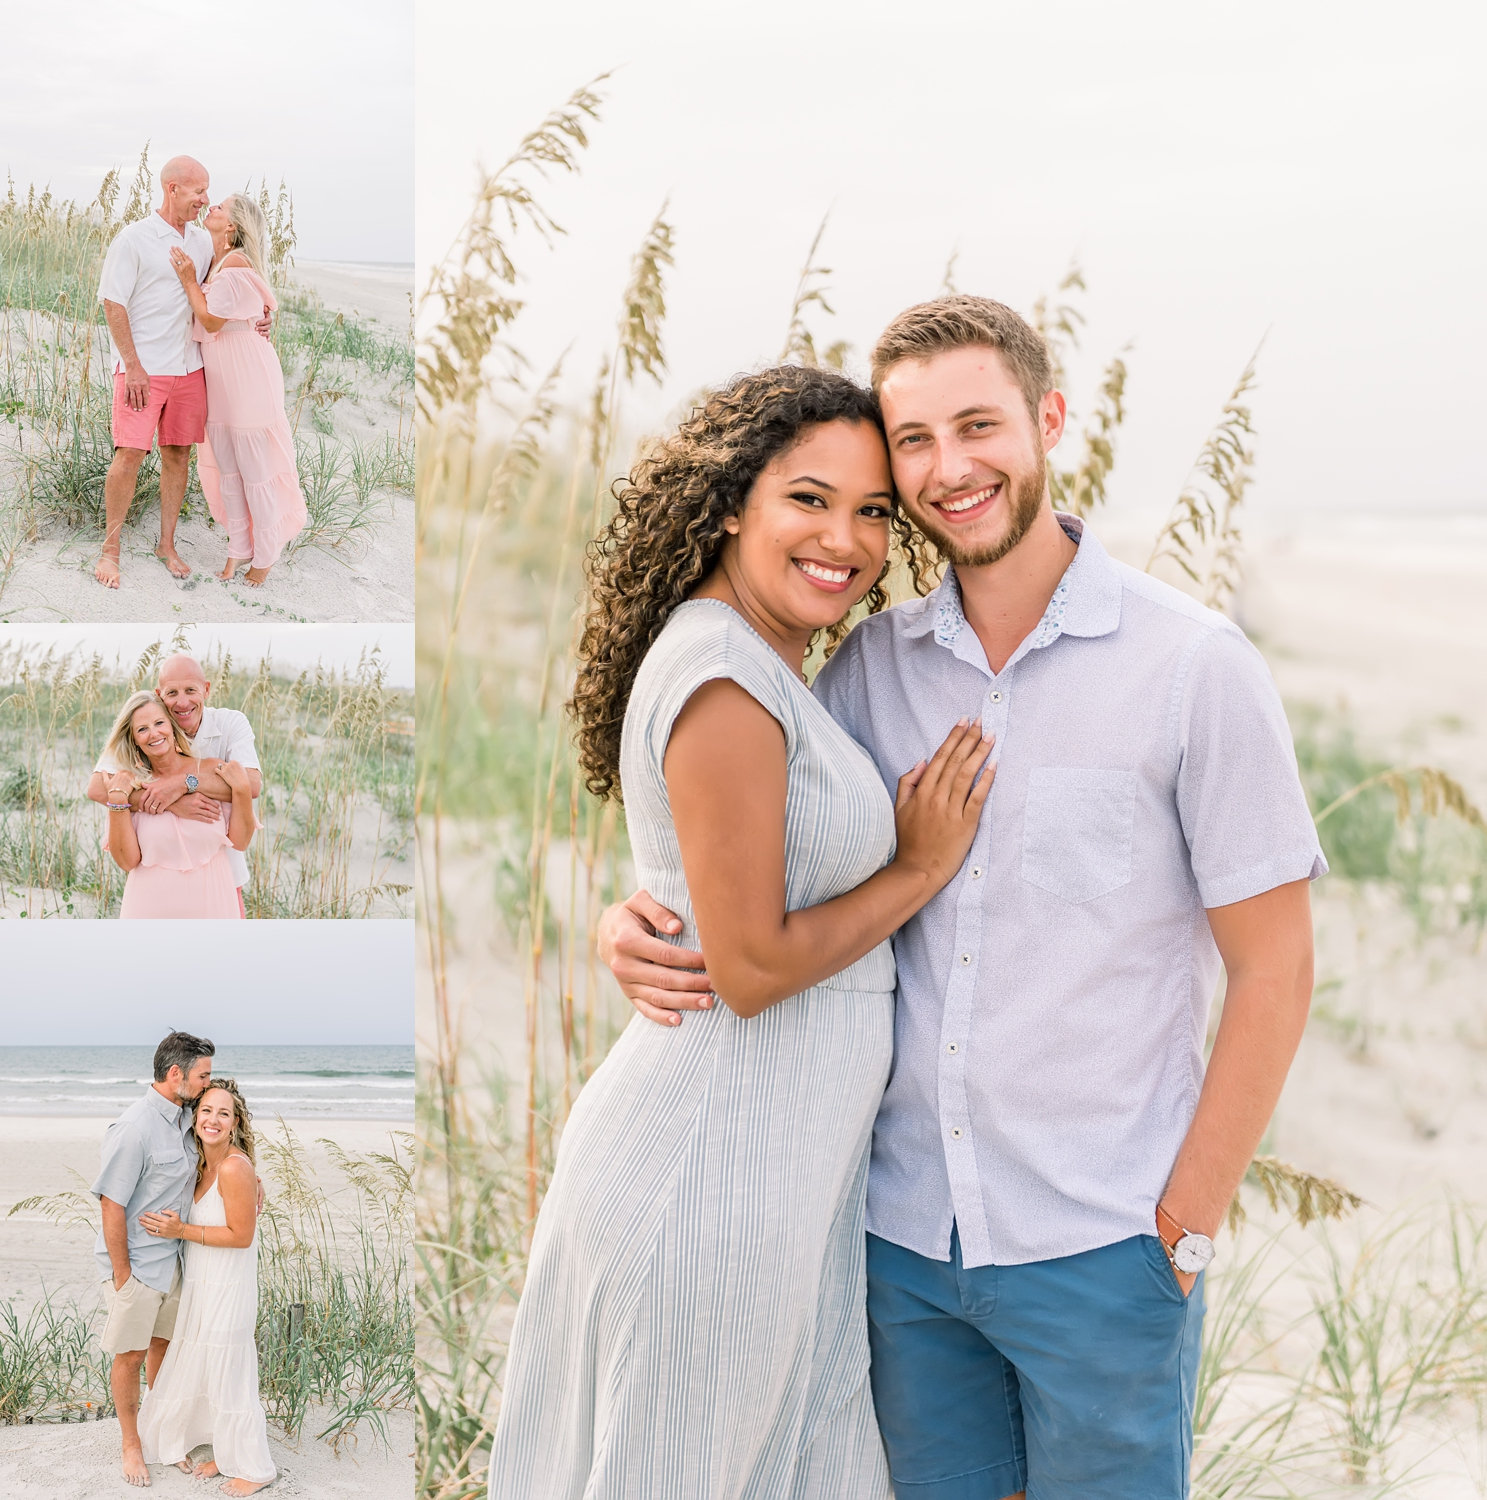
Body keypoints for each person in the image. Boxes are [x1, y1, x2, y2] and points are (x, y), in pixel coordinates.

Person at [600, 296, 1327, 1499]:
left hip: (1102, 1248)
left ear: (1046, 421)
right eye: (915, 444)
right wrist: (628, 919)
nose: (949, 469)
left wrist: (1184, 1224)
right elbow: (754, 866)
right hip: (898, 1251)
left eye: (977, 425)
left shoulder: (1190, 668)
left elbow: (1274, 968)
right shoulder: (869, 668)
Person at [486, 365, 994, 1499]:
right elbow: (753, 966)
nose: (845, 539)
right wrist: (917, 867)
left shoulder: (763, 666)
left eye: (872, 511)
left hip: (774, 1181)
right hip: (704, 1177)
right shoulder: (722, 675)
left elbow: (704, 890)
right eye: (807, 500)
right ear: (729, 502)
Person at [93, 156, 270, 589]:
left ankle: (166, 545)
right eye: (198, 191)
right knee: (130, 455)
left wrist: (260, 319)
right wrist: (132, 364)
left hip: (191, 368)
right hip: (143, 369)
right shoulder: (134, 238)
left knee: (177, 456)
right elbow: (112, 302)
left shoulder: (202, 242)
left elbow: (225, 294)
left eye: (208, 192)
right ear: (172, 188)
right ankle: (110, 551)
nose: (205, 200)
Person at [137, 1077, 276, 1495]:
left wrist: (181, 1230)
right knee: (211, 1369)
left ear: (236, 1123)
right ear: (194, 1117)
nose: (213, 1119)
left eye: (224, 1113)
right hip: (203, 1282)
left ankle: (255, 1469)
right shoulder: (202, 1162)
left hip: (227, 1285)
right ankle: (226, 1452)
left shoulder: (234, 1167)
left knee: (230, 1373)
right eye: (206, 1110)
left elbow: (240, 1236)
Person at [90, 1032, 216, 1488]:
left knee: (165, 1348)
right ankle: (130, 1444)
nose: (208, 1083)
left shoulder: (187, 1116)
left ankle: (160, 1432)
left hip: (177, 1262)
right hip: (139, 1268)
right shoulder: (134, 1127)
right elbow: (111, 1203)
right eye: (203, 1075)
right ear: (176, 1073)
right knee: (130, 1355)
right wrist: (124, 1277)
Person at [170, 193, 307, 586]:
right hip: (221, 377)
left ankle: (264, 557)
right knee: (228, 468)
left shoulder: (234, 264)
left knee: (254, 470)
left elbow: (211, 321)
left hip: (247, 377)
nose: (211, 206)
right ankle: (237, 549)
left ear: (232, 226)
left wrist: (186, 281)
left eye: (220, 207)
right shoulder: (214, 259)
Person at [87, 654, 263, 917]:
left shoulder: (229, 726)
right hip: (151, 903)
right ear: (160, 695)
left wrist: (182, 784)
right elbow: (97, 789)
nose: (182, 702)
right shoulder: (132, 764)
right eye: (172, 693)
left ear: (206, 689)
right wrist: (167, 801)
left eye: (190, 690)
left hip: (220, 883)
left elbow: (250, 785)